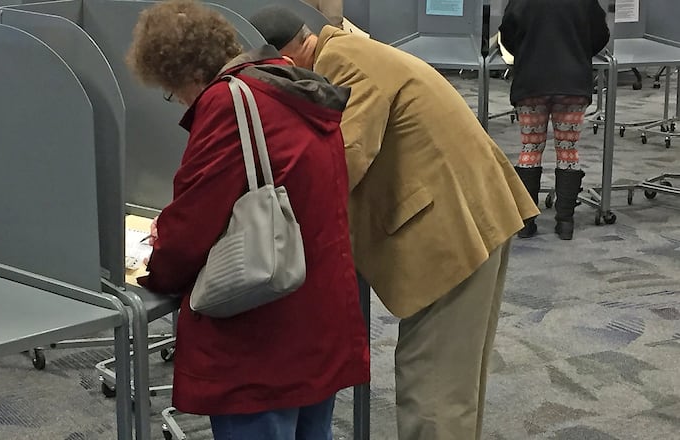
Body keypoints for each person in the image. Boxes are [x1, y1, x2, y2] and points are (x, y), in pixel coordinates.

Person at [249, 7, 539, 440]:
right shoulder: (348, 51)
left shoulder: (341, 64)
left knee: (432, 386)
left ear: (286, 57)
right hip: (470, 214)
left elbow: (339, 162)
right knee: (455, 384)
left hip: (451, 230)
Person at [126, 1, 369, 439]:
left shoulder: (227, 103)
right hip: (318, 313)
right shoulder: (287, 82)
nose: (178, 101)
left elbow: (191, 229)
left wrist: (154, 266)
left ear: (188, 75)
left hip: (265, 333)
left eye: (172, 90)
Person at [500, 0, 610, 240]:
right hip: (571, 82)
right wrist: (577, 50)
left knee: (530, 147)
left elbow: (507, 35)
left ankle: (527, 223)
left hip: (531, 82)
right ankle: (565, 222)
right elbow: (601, 35)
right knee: (568, 150)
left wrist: (529, 51)